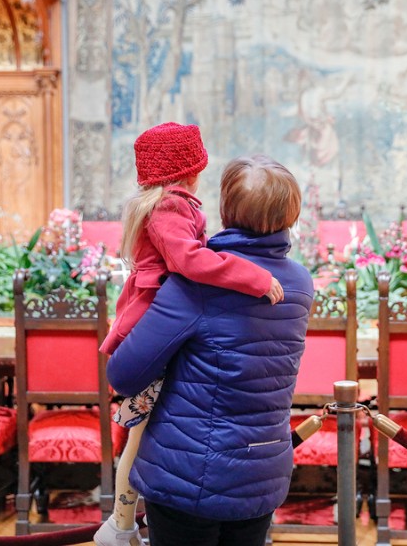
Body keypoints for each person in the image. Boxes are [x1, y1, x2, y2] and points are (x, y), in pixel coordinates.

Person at [106, 154, 314, 546]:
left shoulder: (194, 285)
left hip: (187, 473)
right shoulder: (301, 284)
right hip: (262, 471)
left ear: (224, 209)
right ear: (292, 213)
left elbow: (124, 373)